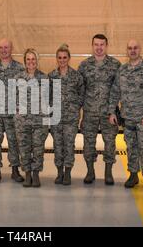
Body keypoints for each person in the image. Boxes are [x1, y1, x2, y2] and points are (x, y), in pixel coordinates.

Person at [108, 39, 143, 193]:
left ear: (140, 49)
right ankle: (133, 175)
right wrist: (112, 111)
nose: (132, 50)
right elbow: (115, 92)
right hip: (128, 118)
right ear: (127, 50)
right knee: (131, 148)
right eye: (129, 48)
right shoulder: (122, 70)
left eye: (135, 48)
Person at [78, 34, 121, 185]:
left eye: (102, 44)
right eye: (96, 44)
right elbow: (81, 90)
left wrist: (113, 111)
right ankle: (90, 172)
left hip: (108, 113)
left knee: (110, 143)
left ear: (106, 46)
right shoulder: (84, 65)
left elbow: (117, 90)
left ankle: (108, 173)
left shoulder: (115, 64)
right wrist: (81, 113)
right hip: (89, 112)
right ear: (92, 46)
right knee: (88, 143)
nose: (99, 47)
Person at [0, 38, 25, 183]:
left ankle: (15, 170)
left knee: (13, 142)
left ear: (11, 49)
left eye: (6, 47)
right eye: (1, 48)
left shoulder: (20, 68)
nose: (4, 50)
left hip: (12, 113)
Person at [48, 44, 83, 185]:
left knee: (69, 145)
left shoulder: (76, 76)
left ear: (69, 58)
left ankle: (67, 172)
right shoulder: (51, 76)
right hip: (56, 118)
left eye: (64, 57)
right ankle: (59, 173)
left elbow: (82, 94)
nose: (62, 60)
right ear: (57, 59)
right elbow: (47, 96)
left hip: (71, 118)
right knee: (57, 145)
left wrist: (75, 108)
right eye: (59, 57)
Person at [15, 48, 49, 187]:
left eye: (33, 59)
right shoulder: (18, 78)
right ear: (25, 62)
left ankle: (36, 174)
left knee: (38, 148)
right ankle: (27, 174)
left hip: (39, 121)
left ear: (37, 61)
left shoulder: (44, 78)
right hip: (22, 121)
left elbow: (49, 100)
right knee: (24, 148)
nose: (31, 62)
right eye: (28, 59)